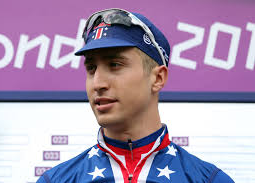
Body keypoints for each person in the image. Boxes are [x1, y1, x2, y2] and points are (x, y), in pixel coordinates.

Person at [36, 8, 234, 183]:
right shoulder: (55, 180)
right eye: (91, 67)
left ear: (158, 78)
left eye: (115, 64)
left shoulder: (209, 179)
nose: (97, 83)